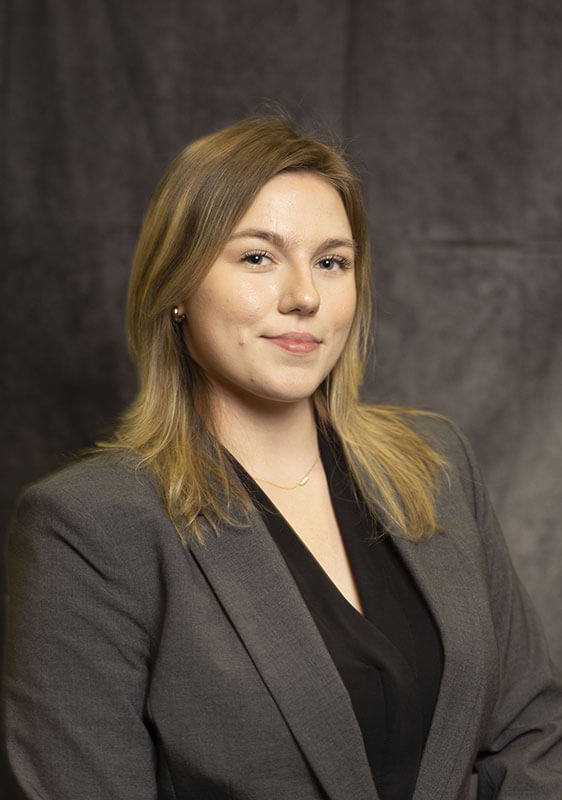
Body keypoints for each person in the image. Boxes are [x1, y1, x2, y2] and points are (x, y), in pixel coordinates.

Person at [3, 115, 561, 800]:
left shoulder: (435, 463)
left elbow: (532, 735)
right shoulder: (89, 525)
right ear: (178, 288)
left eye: (332, 262)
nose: (304, 296)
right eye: (257, 257)